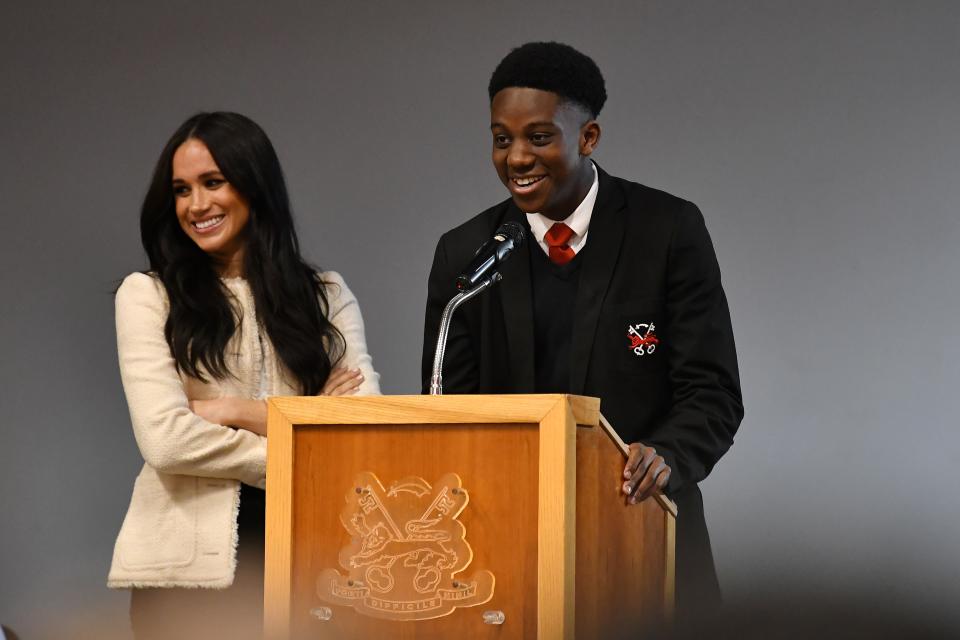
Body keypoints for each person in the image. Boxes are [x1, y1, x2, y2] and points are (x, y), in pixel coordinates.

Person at [421, 42, 743, 615]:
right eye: (502, 139)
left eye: (539, 137)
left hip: (641, 527)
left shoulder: (667, 231)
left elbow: (712, 391)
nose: (517, 158)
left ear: (588, 138)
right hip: (508, 545)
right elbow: (449, 410)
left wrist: (667, 454)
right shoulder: (464, 254)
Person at [108, 111, 380, 639]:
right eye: (182, 190)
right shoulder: (148, 296)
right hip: (186, 579)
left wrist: (237, 412)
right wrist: (307, 438)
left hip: (312, 563)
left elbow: (362, 434)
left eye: (213, 183)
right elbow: (165, 441)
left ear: (255, 185)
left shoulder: (326, 294)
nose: (197, 205)